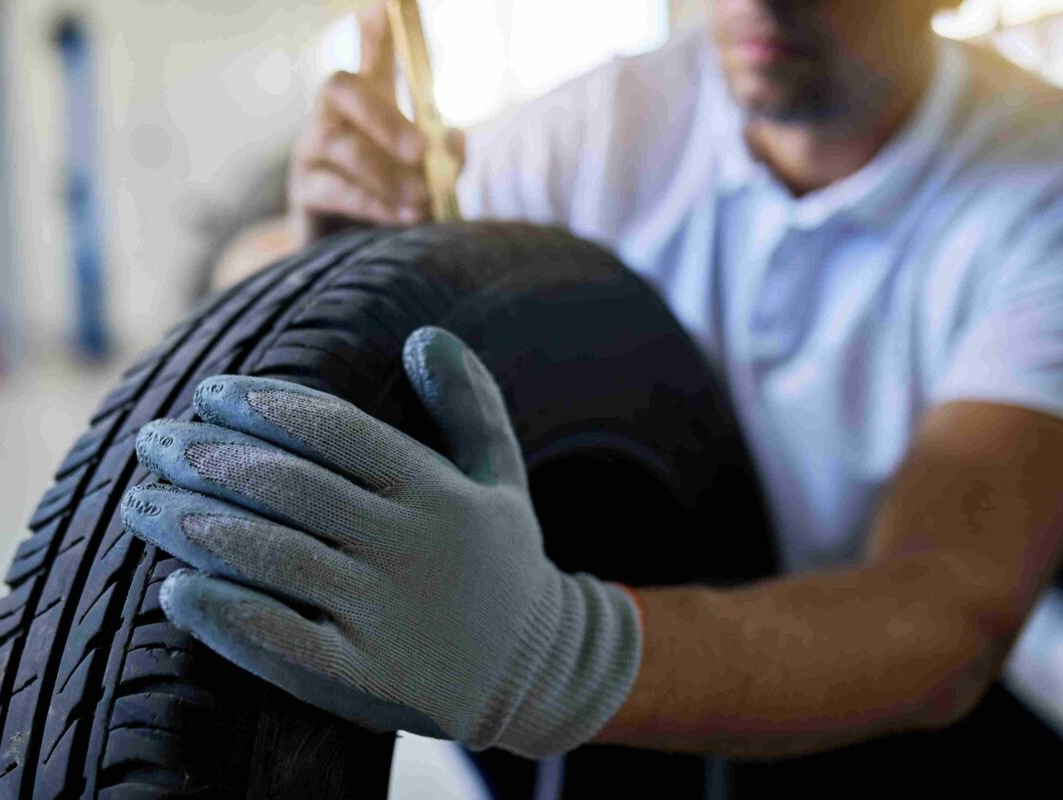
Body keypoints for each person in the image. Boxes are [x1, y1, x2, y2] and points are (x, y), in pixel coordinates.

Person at [122, 0, 1063, 794]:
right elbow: (243, 285)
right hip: (644, 686)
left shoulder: (1038, 190)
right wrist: (324, 253)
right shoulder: (616, 124)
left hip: (902, 723)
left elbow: (945, 608)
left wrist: (559, 655)